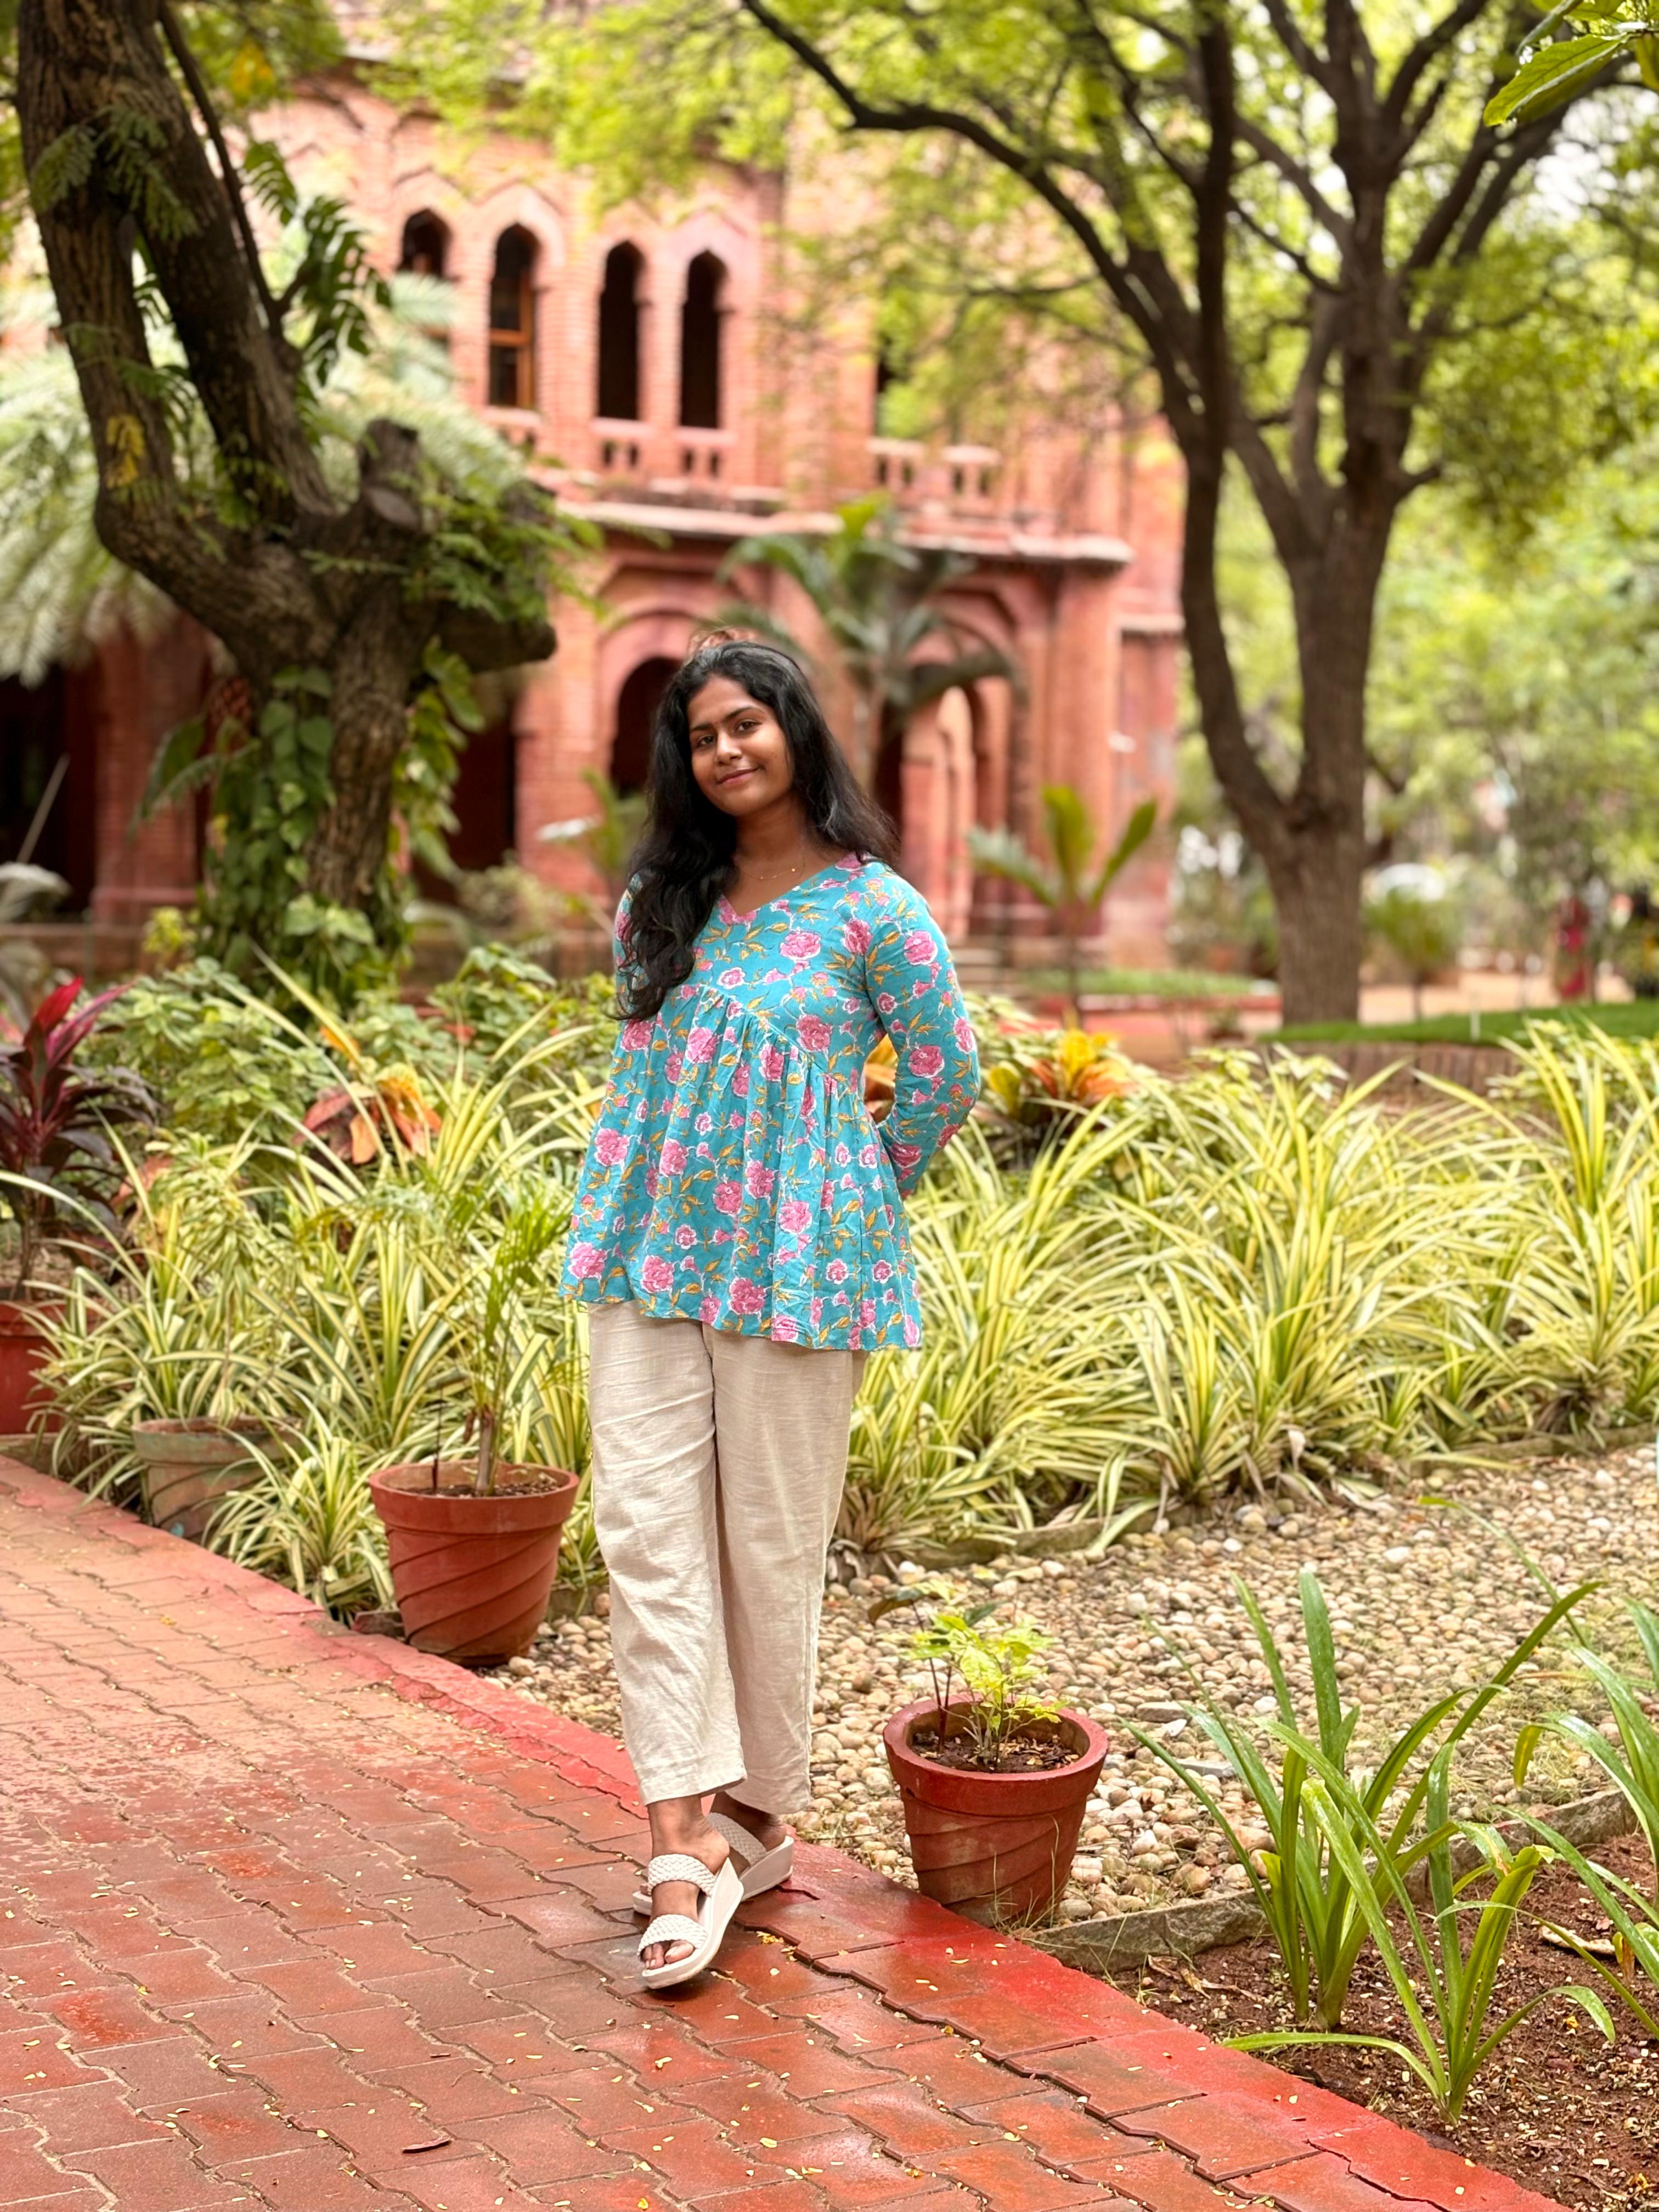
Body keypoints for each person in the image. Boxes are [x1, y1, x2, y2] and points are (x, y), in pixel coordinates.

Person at [558, 636, 980, 1988]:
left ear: (798, 730)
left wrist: (855, 1184)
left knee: (767, 1546)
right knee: (644, 1532)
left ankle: (757, 1818)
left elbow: (944, 1075)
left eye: (749, 724)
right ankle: (679, 1828)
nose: (727, 750)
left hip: (802, 1270)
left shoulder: (874, 911)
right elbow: (645, 1070)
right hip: (644, 1248)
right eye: (702, 736)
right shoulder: (658, 899)